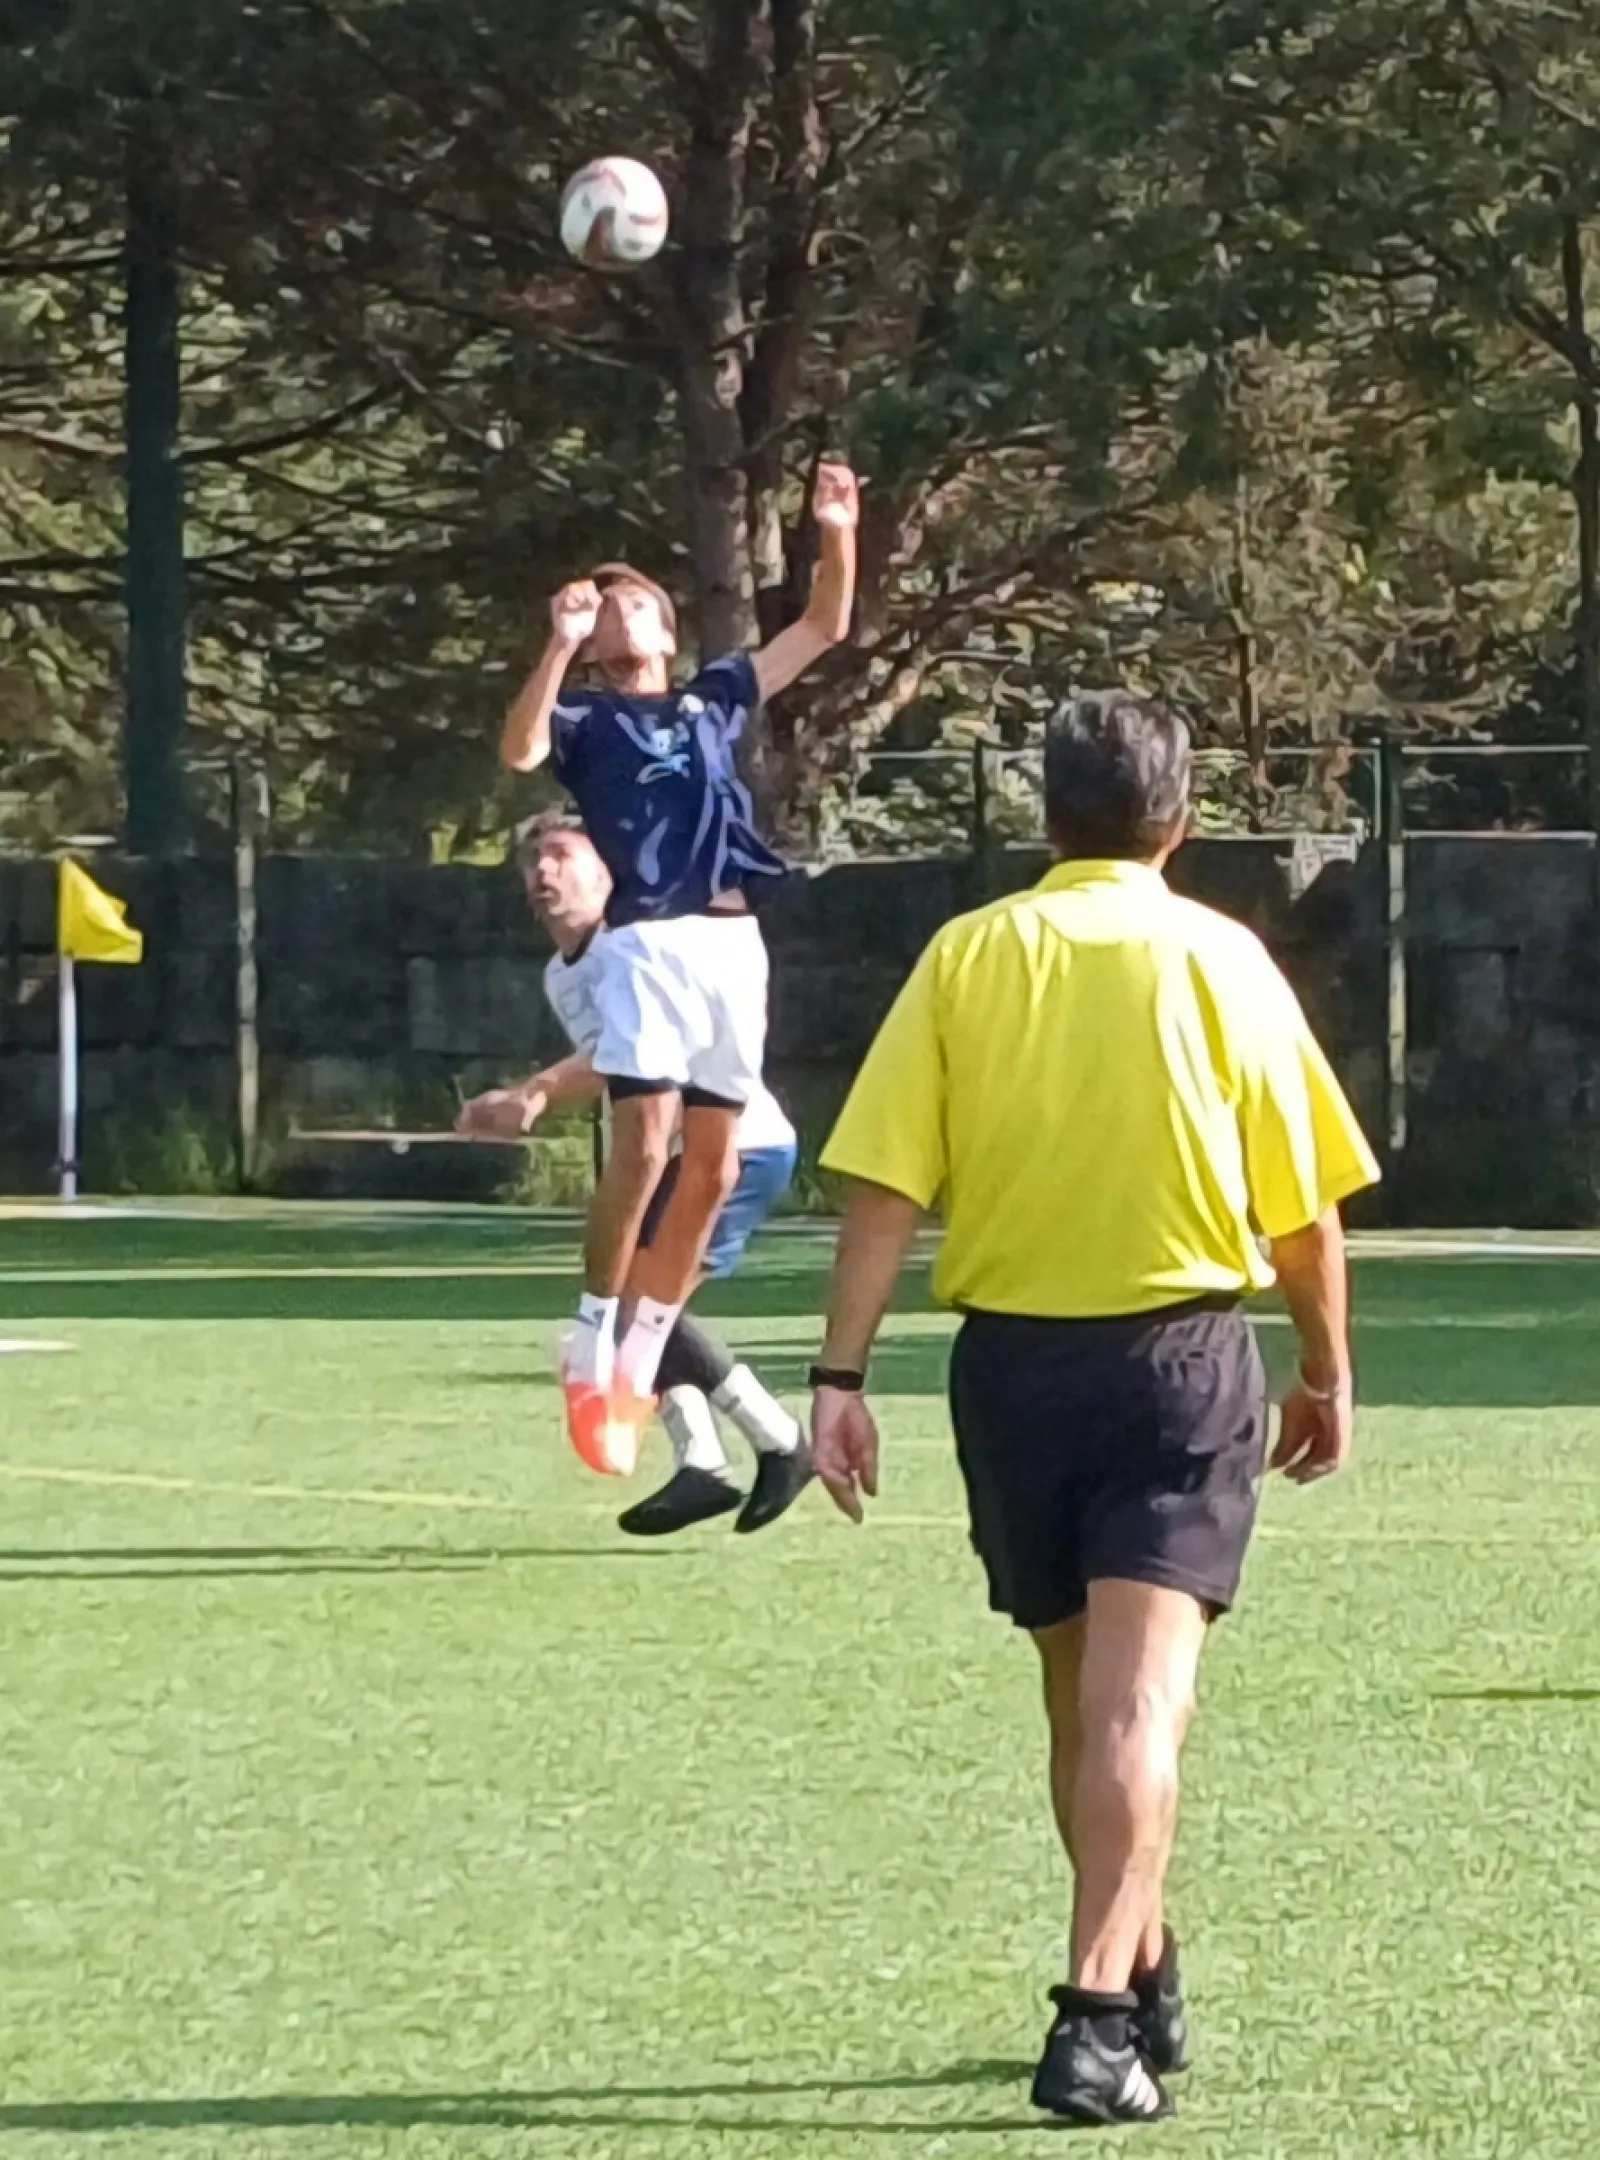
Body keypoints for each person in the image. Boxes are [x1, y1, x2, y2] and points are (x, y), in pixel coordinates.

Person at [806, 692, 1381, 2129]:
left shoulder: (966, 955)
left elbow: (884, 1188)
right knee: (1140, 1706)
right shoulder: (1223, 959)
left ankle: (1141, 1954)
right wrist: (1326, 1364)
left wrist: (837, 1378)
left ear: (1049, 819)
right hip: (1179, 1361)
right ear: (1180, 821)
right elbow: (1298, 1207)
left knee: (1083, 1711)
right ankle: (1095, 2019)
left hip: (1012, 1370)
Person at [499, 464, 860, 1474]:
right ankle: (591, 1336)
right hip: (650, 942)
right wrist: (558, 644)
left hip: (729, 945)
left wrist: (835, 529)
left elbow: (823, 625)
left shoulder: (712, 698)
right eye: (597, 605)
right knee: (645, 1148)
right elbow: (521, 748)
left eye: (626, 604)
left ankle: (642, 1355)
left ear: (662, 628)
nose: (612, 612)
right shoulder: (584, 719)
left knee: (716, 1162)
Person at [458, 821, 815, 1539]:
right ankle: (716, 1461)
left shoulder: (637, 944)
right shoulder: (563, 973)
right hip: (681, 1152)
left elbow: (645, 1060)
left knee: (639, 1311)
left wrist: (536, 1089)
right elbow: (617, 1062)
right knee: (640, 1314)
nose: (543, 870)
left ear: (606, 875)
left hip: (735, 1147)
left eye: (562, 854)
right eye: (533, 859)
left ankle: (772, 1445)